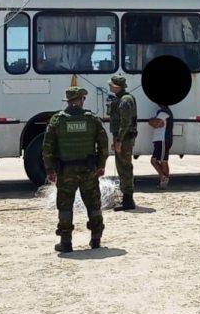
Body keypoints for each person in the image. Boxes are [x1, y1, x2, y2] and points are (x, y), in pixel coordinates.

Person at [42, 86, 110, 253]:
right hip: (88, 170)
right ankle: (96, 239)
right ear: (82, 100)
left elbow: (47, 147)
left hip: (65, 171)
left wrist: (49, 169)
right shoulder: (92, 120)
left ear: (68, 101)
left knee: (65, 206)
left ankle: (66, 242)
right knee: (93, 204)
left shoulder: (57, 120)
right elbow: (103, 144)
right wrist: (101, 165)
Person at [107, 75, 137, 210]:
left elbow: (125, 122)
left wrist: (118, 140)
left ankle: (128, 200)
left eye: (112, 85)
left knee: (124, 167)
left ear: (117, 87)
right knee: (122, 167)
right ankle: (126, 199)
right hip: (122, 137)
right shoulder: (121, 99)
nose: (110, 86)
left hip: (124, 138)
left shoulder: (125, 100)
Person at [149, 103, 174, 189]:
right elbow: (156, 123)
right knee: (154, 160)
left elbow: (156, 123)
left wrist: (151, 121)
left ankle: (164, 180)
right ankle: (163, 177)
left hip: (163, 139)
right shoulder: (161, 112)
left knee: (163, 161)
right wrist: (153, 121)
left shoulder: (164, 112)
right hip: (159, 140)